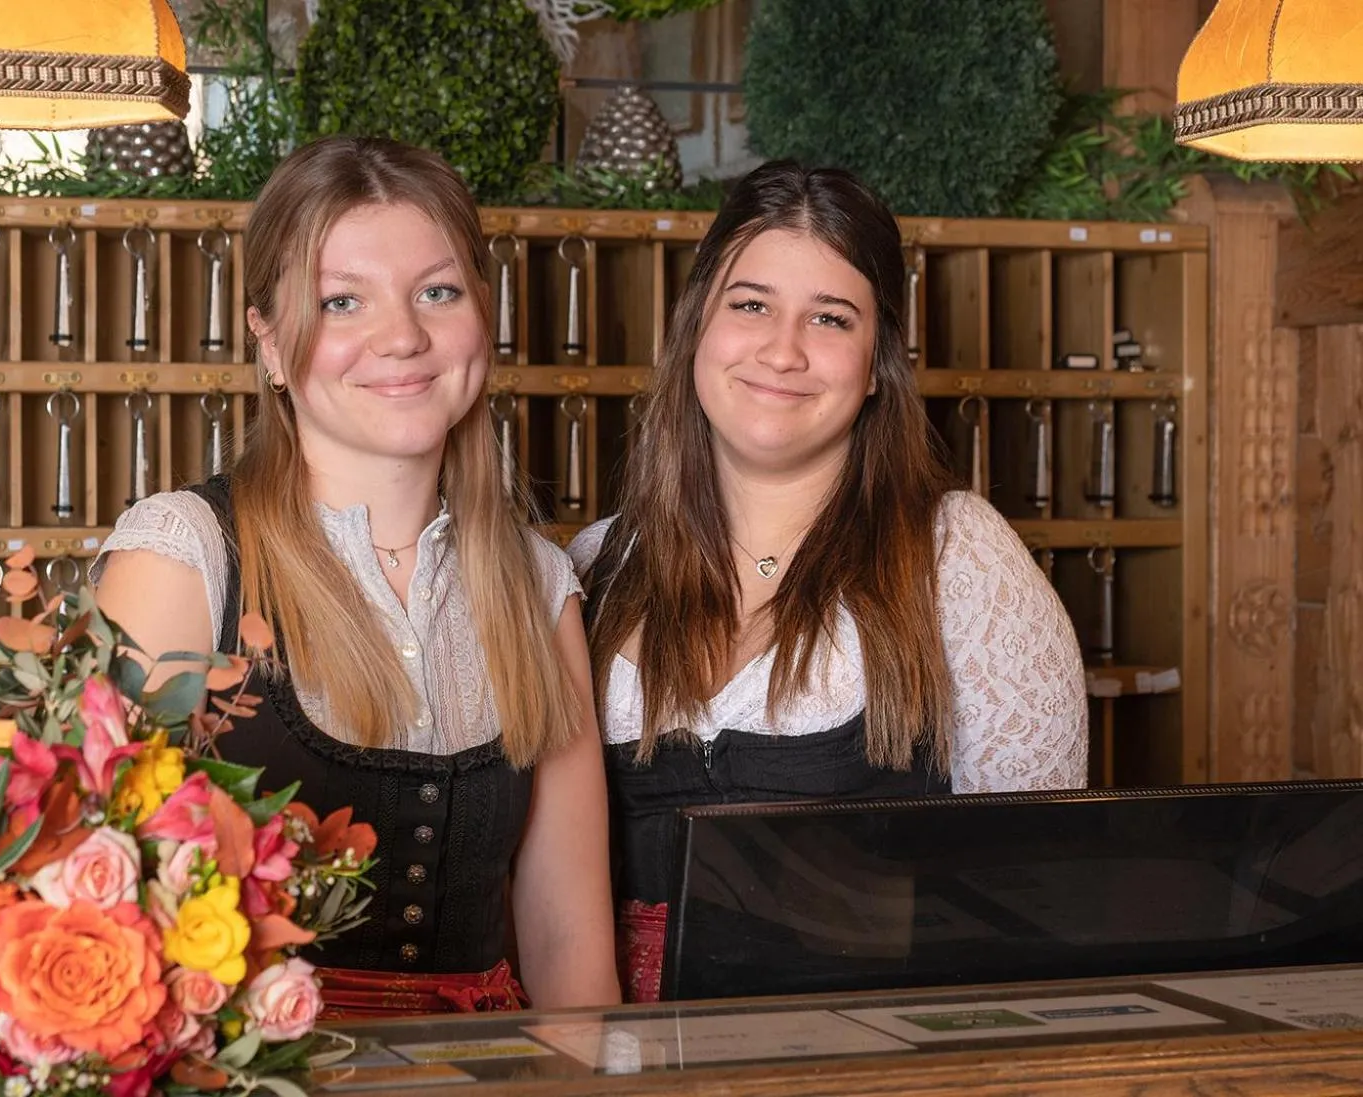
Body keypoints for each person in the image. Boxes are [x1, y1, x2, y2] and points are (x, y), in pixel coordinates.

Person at [92, 135, 621, 1016]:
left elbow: (568, 946)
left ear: (481, 314)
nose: (403, 335)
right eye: (342, 301)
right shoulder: (183, 557)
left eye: (437, 292)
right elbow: (90, 910)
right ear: (266, 338)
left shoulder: (538, 583)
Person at [569, 159, 1089, 1003]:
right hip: (632, 1062)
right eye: (750, 305)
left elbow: (1033, 884)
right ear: (696, 323)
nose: (783, 350)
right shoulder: (597, 564)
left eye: (830, 317)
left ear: (878, 361)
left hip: (860, 1058)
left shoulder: (956, 558)